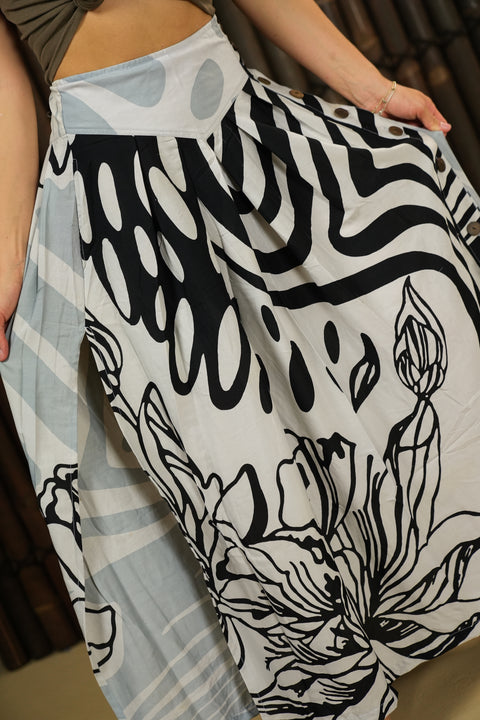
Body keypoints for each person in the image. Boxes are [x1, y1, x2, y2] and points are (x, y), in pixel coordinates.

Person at [1, 1, 480, 719]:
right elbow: (6, 85)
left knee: (411, 342)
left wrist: (375, 92)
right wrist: (9, 262)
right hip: (122, 201)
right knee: (239, 478)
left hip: (245, 129)